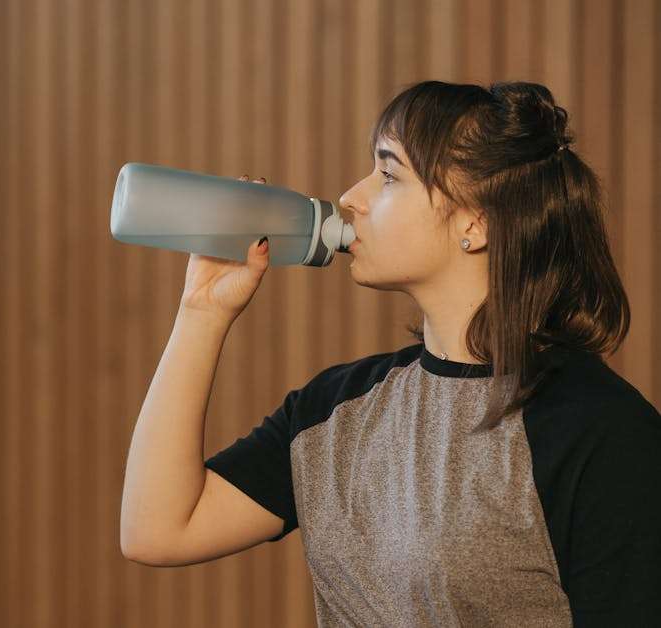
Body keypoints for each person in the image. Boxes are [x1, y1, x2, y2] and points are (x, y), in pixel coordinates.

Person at [119, 80, 661, 627]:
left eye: (388, 174)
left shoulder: (598, 430)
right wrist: (203, 311)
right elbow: (158, 531)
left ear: (476, 223)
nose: (351, 197)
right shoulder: (335, 411)